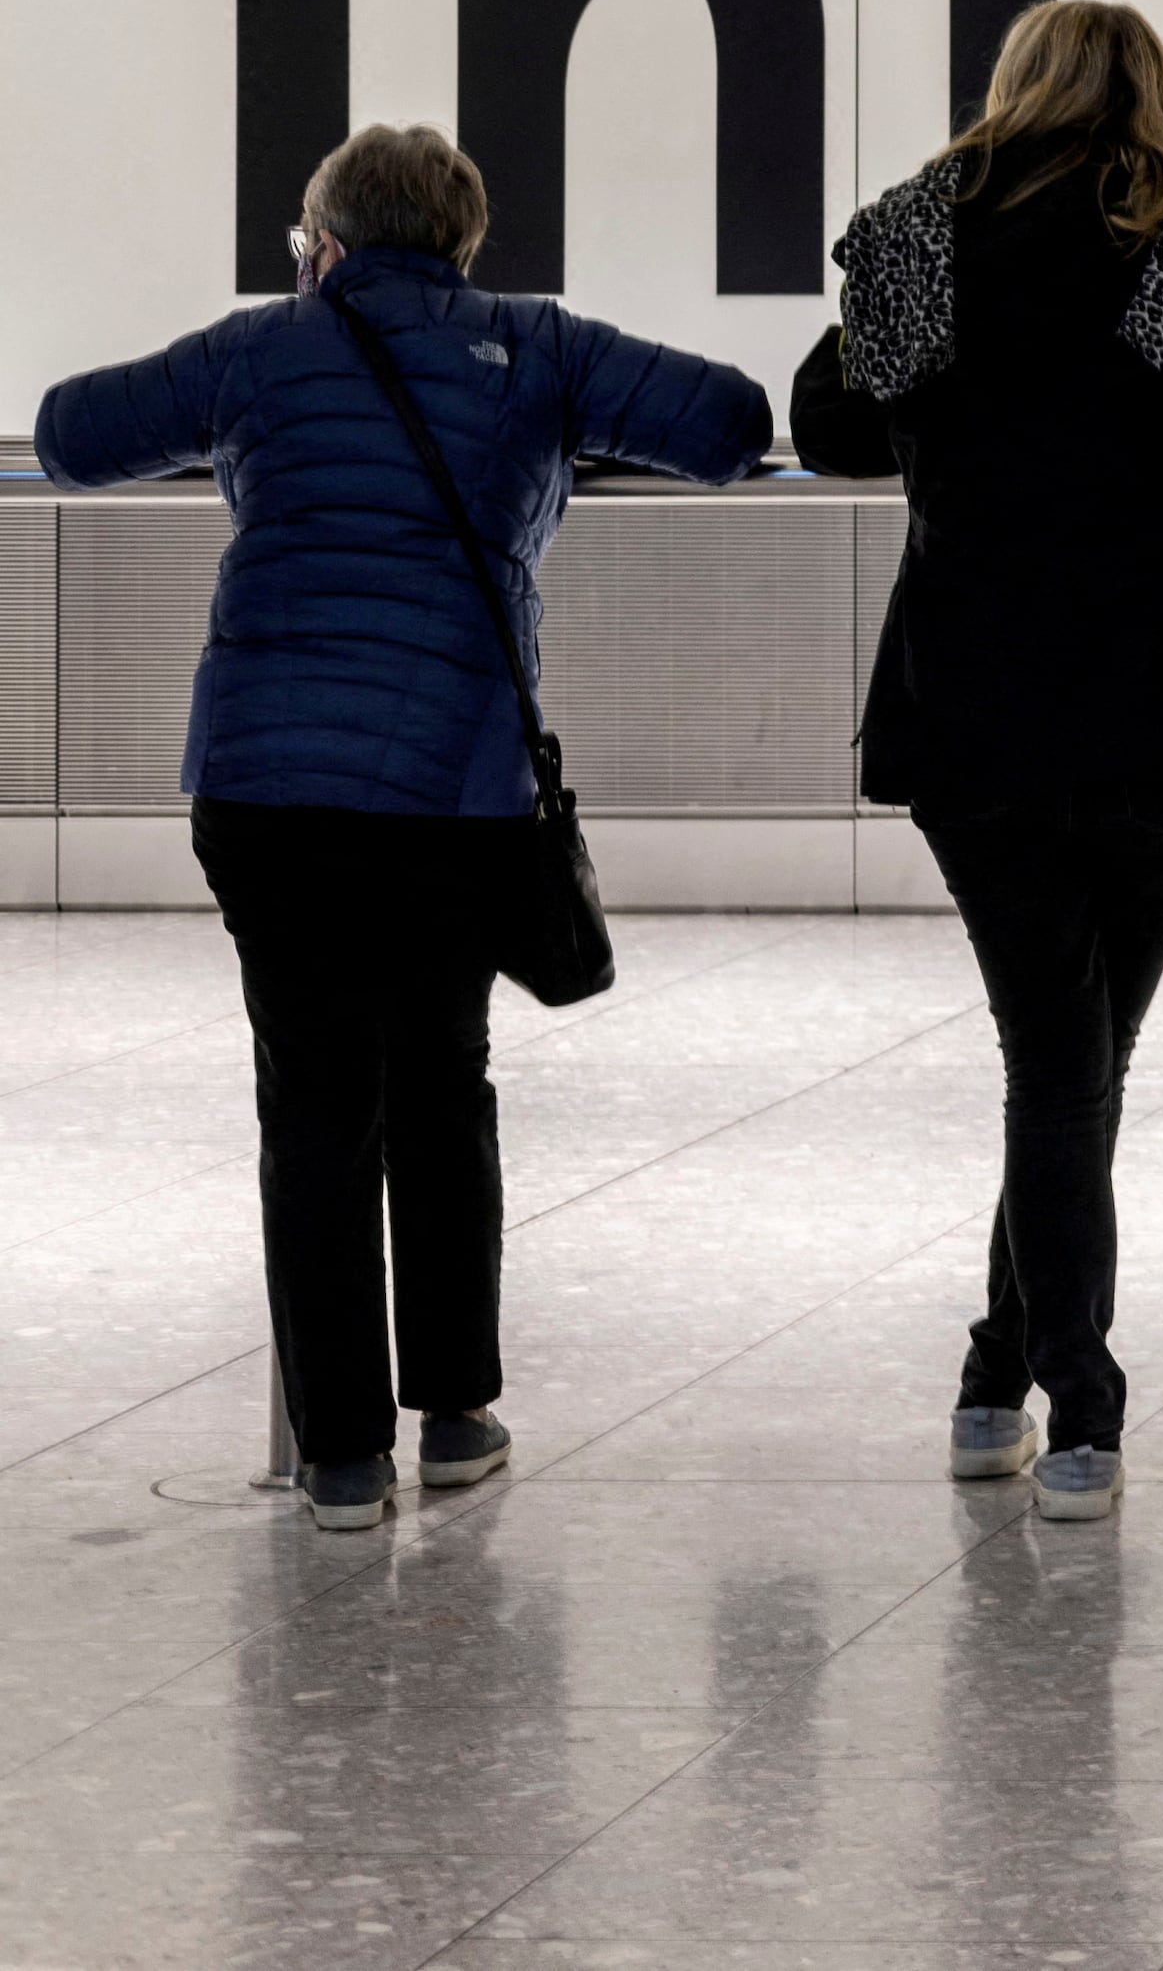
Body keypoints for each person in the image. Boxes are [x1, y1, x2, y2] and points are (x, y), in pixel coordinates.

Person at [36, 124, 770, 1530]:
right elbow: (732, 425)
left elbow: (71, 434)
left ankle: (339, 1461)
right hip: (452, 790)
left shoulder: (263, 350)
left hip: (262, 785)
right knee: (442, 1083)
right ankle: (455, 1418)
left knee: (311, 1104)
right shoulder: (536, 343)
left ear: (325, 241)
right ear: (464, 243)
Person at [793, 0, 1163, 1525]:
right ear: (1157, 97)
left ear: (1013, 89)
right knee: (1073, 1065)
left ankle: (999, 1375)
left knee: (1063, 1064)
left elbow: (833, 425)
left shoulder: (923, 226)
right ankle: (1081, 1405)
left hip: (972, 708)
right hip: (1161, 710)